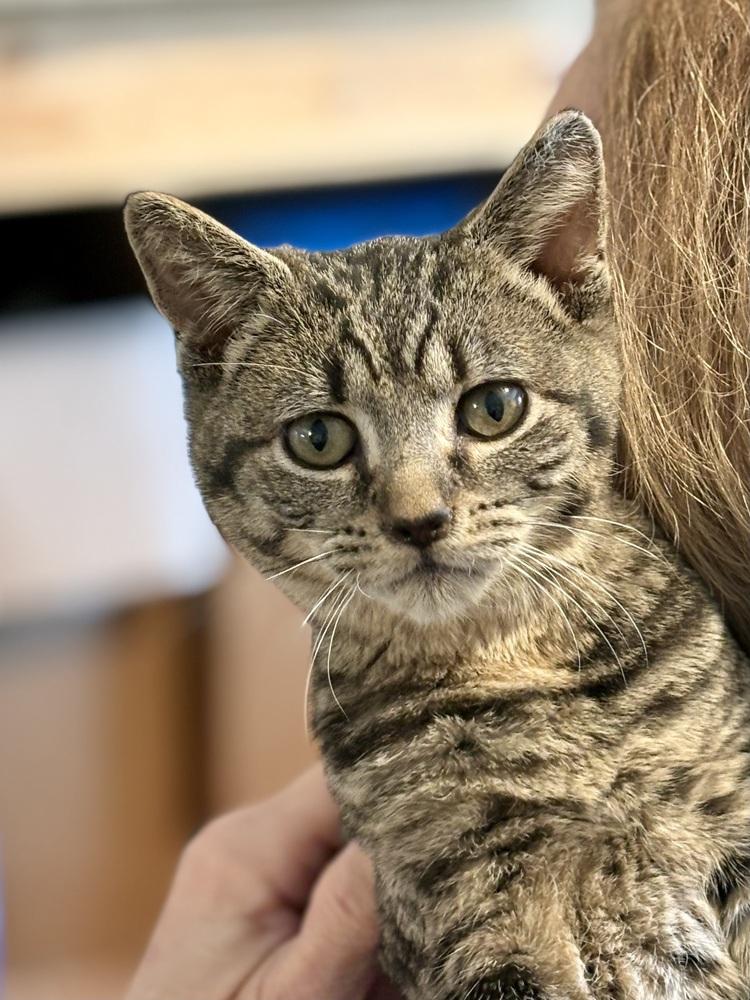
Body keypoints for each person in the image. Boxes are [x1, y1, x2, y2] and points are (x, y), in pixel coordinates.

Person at [127, 0, 750, 994]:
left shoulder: (686, 641)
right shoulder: (376, 752)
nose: (418, 507)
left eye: (491, 410)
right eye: (323, 440)